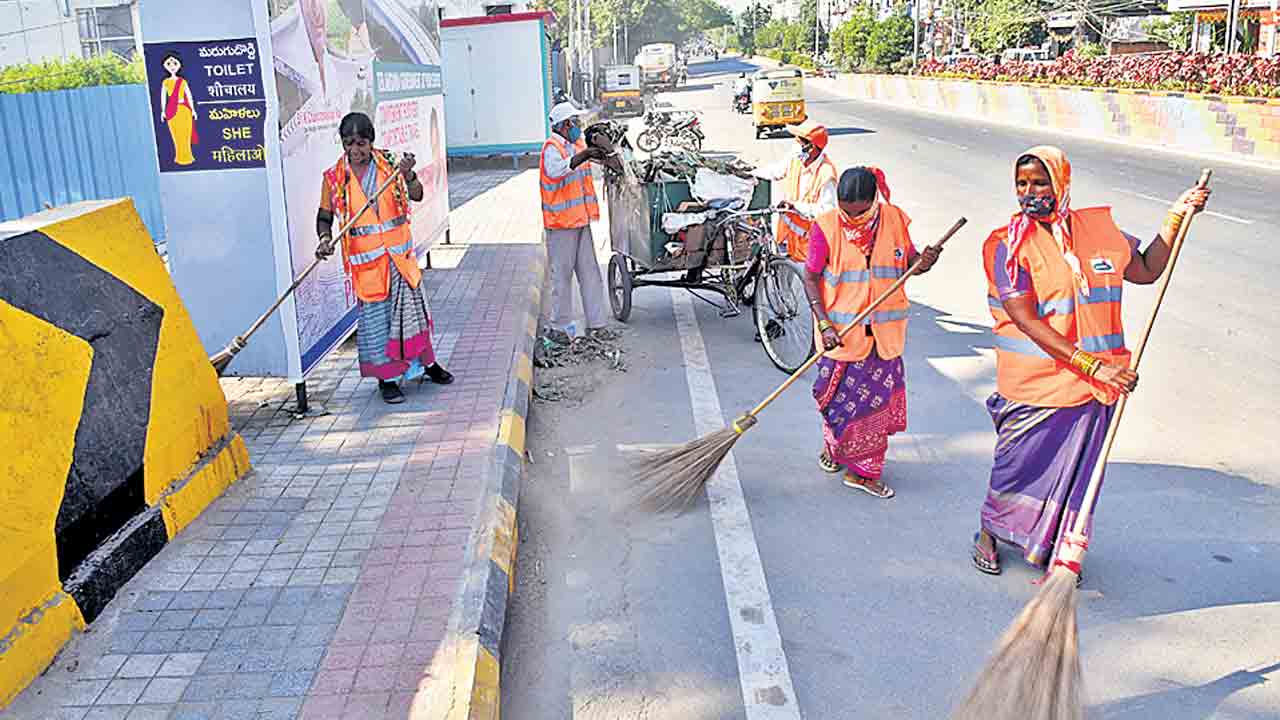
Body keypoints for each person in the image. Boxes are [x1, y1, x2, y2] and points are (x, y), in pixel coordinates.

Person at [971, 146, 1210, 578]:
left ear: (1061, 183)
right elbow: (1024, 317)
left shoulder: (1099, 228)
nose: (1029, 193)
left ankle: (1060, 552)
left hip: (1092, 388)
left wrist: (1176, 217)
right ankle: (989, 531)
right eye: (1022, 184)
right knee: (1016, 467)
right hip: (1033, 384)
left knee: (1078, 476)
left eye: (1039, 183)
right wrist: (1092, 365)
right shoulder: (1005, 244)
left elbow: (1146, 269)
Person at [802, 168, 941, 499]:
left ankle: (863, 472)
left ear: (874, 201)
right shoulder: (825, 226)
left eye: (860, 212)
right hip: (841, 336)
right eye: (846, 211)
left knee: (869, 410)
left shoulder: (894, 219)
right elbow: (810, 277)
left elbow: (908, 263)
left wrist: (924, 262)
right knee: (834, 401)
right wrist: (824, 323)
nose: (852, 218)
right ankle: (836, 449)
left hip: (882, 338)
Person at [315, 112, 454, 404]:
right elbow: (324, 216)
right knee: (378, 323)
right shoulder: (334, 178)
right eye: (349, 143)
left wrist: (409, 175)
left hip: (400, 259)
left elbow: (417, 194)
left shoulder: (391, 164)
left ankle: (428, 365)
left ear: (371, 141)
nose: (355, 150)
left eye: (361, 143)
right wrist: (324, 239)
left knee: (414, 316)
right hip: (368, 266)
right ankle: (387, 380)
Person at [540, 101, 611, 340]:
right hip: (561, 225)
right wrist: (584, 155)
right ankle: (560, 327)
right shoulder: (552, 149)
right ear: (565, 125)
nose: (579, 126)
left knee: (590, 273)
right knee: (561, 276)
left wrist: (603, 150)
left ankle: (597, 324)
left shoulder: (577, 144)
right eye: (576, 122)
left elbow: (594, 162)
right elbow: (556, 171)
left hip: (580, 221)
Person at [756, 121, 838, 263]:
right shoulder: (796, 159)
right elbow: (776, 171)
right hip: (786, 241)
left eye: (799, 142)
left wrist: (795, 206)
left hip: (808, 248)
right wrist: (748, 173)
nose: (795, 145)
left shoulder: (826, 174)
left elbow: (827, 213)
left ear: (811, 147)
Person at [158, 52, 198, 166]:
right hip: (172, 112)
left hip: (184, 110)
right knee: (176, 135)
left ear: (179, 65)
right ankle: (179, 157)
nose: (172, 66)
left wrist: (193, 110)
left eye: (174, 63)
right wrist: (163, 111)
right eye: (169, 64)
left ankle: (188, 157)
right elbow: (163, 97)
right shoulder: (165, 82)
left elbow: (189, 96)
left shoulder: (182, 81)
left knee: (186, 134)